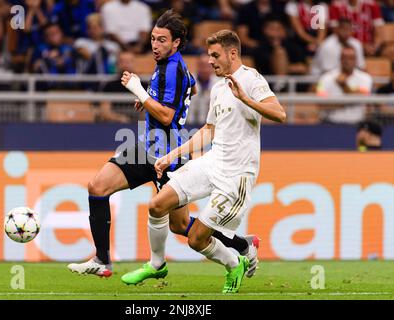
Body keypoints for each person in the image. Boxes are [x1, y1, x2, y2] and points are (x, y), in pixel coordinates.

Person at [67, 10, 259, 278]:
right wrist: (150, 99)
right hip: (147, 146)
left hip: (169, 150)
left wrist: (141, 92)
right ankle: (102, 259)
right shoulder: (170, 66)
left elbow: (168, 116)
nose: (155, 46)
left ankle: (242, 245)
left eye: (162, 41)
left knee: (180, 226)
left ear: (177, 43)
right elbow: (189, 88)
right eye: (153, 39)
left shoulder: (174, 69)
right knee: (97, 186)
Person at [121, 30, 285, 293]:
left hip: (236, 176)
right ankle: (156, 264)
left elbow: (280, 114)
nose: (210, 61)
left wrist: (246, 99)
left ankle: (233, 263)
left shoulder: (251, 79)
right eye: (209, 55)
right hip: (212, 163)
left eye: (215, 55)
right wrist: (170, 156)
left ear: (233, 54)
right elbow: (209, 131)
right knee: (157, 205)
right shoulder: (219, 88)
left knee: (196, 239)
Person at [316, 45, 373, 124]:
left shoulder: (366, 78)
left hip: (356, 123)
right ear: (340, 59)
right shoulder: (325, 77)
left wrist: (344, 86)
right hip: (330, 123)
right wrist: (350, 102)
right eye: (344, 57)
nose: (347, 61)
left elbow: (362, 98)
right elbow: (320, 102)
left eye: (351, 58)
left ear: (356, 60)